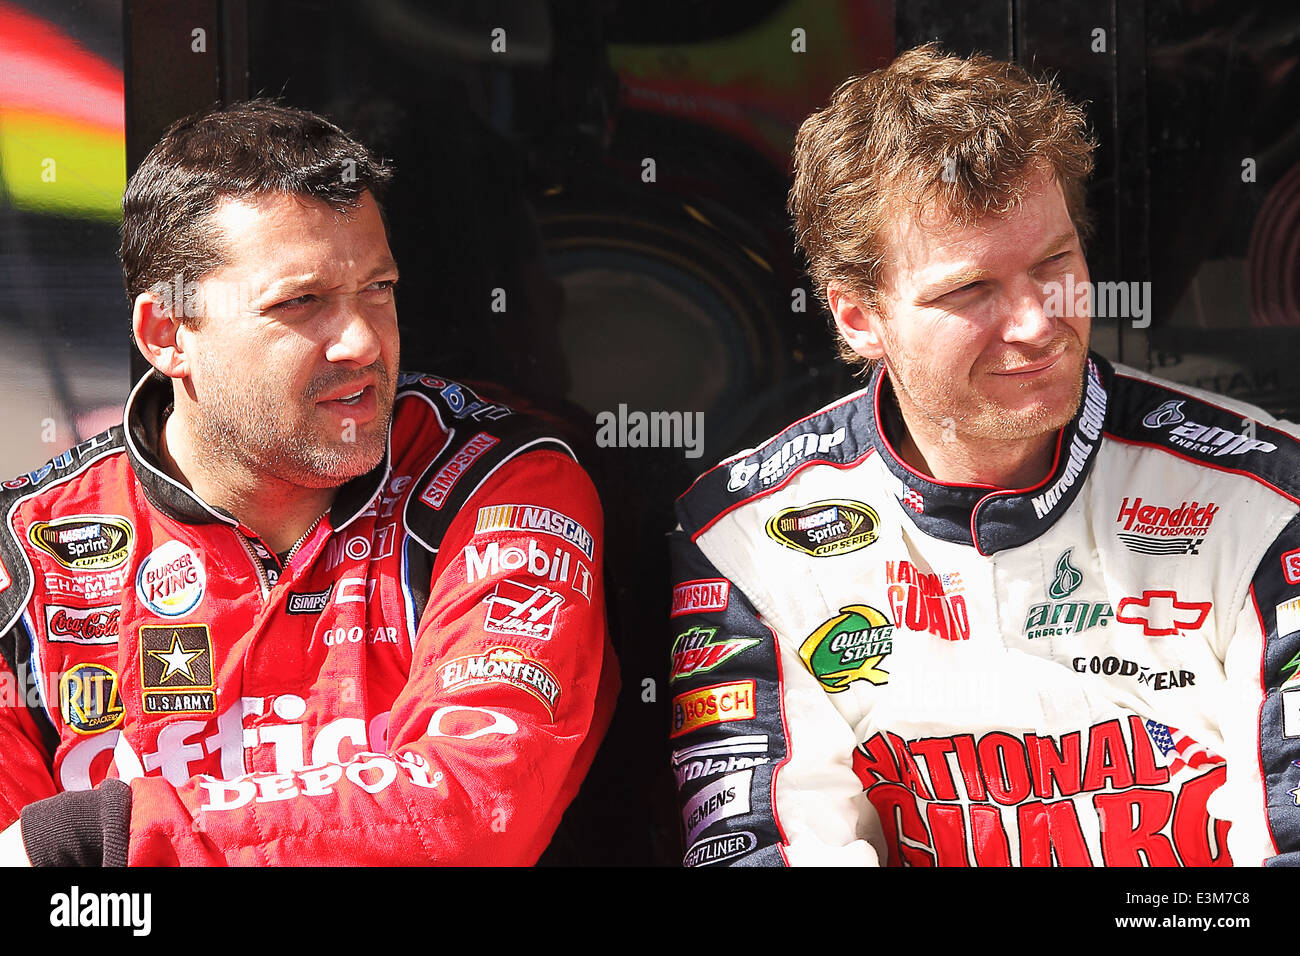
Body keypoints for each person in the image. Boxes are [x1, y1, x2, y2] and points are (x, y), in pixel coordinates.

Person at [667, 44, 1300, 866]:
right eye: (970, 291)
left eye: (1055, 264)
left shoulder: (1268, 497)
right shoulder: (744, 537)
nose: (1037, 323)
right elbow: (759, 853)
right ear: (859, 316)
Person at [0, 100, 618, 865]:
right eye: (301, 302)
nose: (361, 340)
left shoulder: (499, 485)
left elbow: (473, 807)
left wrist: (98, 840)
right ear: (167, 336)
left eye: (379, 289)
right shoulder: (27, 557)